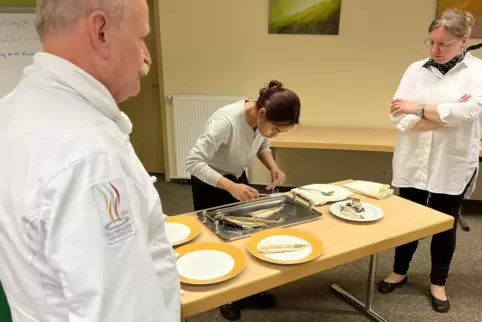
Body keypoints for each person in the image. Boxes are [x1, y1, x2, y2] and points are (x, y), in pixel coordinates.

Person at [0, 1, 181, 321]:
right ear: (101, 32)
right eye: (141, 38)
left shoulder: (11, 111)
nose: (145, 56)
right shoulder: (91, 159)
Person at [378, 9, 482, 313]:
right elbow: (397, 114)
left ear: (463, 41)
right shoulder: (415, 70)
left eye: (444, 44)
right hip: (413, 160)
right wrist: (444, 115)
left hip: (451, 163)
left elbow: (470, 113)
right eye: (432, 42)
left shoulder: (477, 72)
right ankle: (400, 271)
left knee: (443, 225)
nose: (436, 50)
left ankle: (438, 283)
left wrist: (419, 107)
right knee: (408, 220)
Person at [185, 80, 301, 320]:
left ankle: (246, 290)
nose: (275, 135)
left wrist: (274, 167)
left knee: (243, 235)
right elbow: (193, 162)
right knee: (219, 241)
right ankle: (225, 297)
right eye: (276, 129)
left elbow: (263, 142)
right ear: (261, 113)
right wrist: (230, 187)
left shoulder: (261, 120)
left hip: (237, 179)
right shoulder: (225, 122)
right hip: (213, 181)